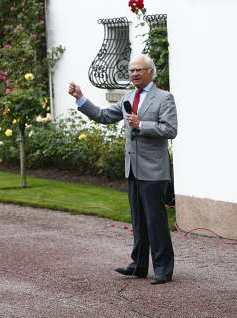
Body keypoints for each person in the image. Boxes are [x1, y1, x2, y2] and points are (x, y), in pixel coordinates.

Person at [68, 54, 177, 285]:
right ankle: (139, 265)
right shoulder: (128, 96)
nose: (134, 74)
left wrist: (141, 124)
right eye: (131, 70)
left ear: (150, 72)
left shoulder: (164, 98)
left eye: (139, 70)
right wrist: (80, 98)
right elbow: (104, 116)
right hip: (133, 170)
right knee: (138, 221)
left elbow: (170, 129)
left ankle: (163, 269)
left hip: (154, 171)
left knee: (156, 222)